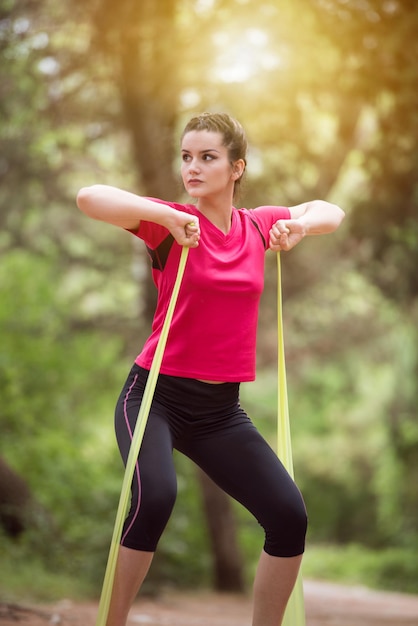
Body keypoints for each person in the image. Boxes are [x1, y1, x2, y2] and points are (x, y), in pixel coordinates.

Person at [77, 112, 345, 626]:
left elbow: (330, 210)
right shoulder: (172, 223)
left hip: (220, 412)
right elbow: (89, 197)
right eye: (186, 157)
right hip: (155, 395)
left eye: (207, 157)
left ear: (237, 167)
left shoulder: (258, 227)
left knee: (289, 517)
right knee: (155, 496)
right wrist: (165, 215)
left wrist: (301, 226)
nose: (193, 168)